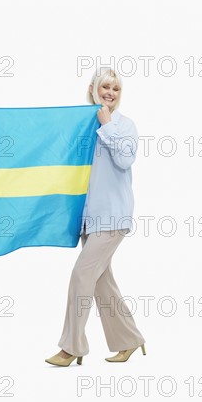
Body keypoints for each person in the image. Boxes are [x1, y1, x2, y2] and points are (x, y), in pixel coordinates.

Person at [45, 68, 146, 366]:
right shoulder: (82, 125)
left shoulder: (124, 125)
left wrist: (107, 125)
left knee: (81, 276)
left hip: (114, 217)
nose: (110, 93)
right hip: (90, 218)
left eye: (115, 89)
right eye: (105, 87)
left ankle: (71, 346)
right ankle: (130, 340)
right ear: (92, 88)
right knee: (102, 283)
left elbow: (125, 159)